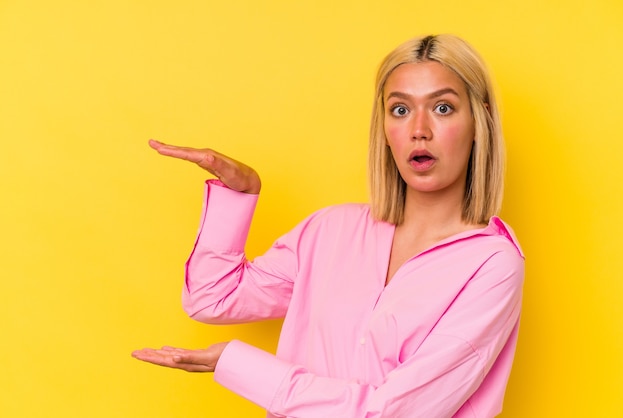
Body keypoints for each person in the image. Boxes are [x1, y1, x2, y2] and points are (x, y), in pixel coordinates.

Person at [132, 34, 525, 417]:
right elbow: (212, 297)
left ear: (480, 121)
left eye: (442, 108)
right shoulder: (330, 231)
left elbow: (396, 412)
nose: (418, 129)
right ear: (385, 129)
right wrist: (237, 195)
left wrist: (238, 365)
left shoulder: (492, 265)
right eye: (400, 110)